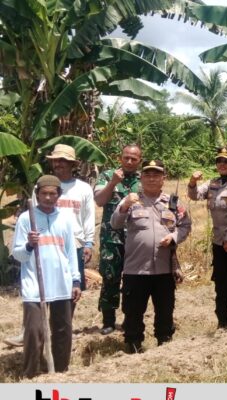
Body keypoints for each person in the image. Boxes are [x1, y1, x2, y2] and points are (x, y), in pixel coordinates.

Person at [110, 160, 191, 353]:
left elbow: (186, 226)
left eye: (156, 174)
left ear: (164, 178)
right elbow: (115, 223)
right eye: (148, 174)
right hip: (136, 268)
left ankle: (164, 343)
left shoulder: (173, 203)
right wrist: (124, 206)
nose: (152, 178)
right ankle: (133, 344)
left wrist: (173, 237)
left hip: (164, 268)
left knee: (165, 309)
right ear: (141, 178)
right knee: (133, 311)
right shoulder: (131, 200)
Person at [12, 175, 81, 378]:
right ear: (37, 194)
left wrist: (75, 280)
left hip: (61, 282)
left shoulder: (65, 218)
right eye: (44, 193)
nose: (49, 198)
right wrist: (28, 245)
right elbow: (18, 254)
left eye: (53, 194)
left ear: (58, 195)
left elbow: (70, 253)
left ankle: (60, 371)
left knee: (62, 331)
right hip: (35, 283)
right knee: (34, 331)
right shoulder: (26, 218)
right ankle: (31, 374)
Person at [188, 147, 227, 331]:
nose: (222, 164)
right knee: (221, 282)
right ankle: (222, 320)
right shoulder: (213, 183)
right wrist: (193, 181)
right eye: (219, 161)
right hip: (219, 242)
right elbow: (194, 195)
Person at [93, 144, 142, 335]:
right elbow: (99, 200)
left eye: (133, 158)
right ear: (120, 157)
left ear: (139, 160)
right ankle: (108, 321)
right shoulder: (107, 175)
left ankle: (130, 318)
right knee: (110, 277)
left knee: (133, 279)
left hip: (135, 239)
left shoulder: (142, 179)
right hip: (111, 239)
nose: (129, 161)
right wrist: (112, 183)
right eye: (126, 157)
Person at [46, 144, 95, 291]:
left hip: (76, 244)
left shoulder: (83, 188)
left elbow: (88, 217)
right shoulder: (43, 187)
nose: (58, 163)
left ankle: (68, 315)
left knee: (74, 288)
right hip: (49, 243)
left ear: (72, 164)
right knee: (50, 287)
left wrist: (88, 243)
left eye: (62, 160)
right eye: (55, 160)